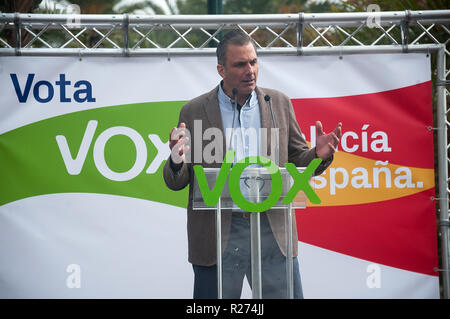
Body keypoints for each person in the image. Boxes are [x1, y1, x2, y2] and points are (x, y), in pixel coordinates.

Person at [163, 30, 342, 299]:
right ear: (221, 69)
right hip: (219, 230)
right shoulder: (195, 110)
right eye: (240, 64)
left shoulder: (277, 103)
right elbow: (176, 181)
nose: (250, 71)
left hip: (272, 228)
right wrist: (177, 160)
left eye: (254, 62)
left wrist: (317, 154)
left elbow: (297, 161)